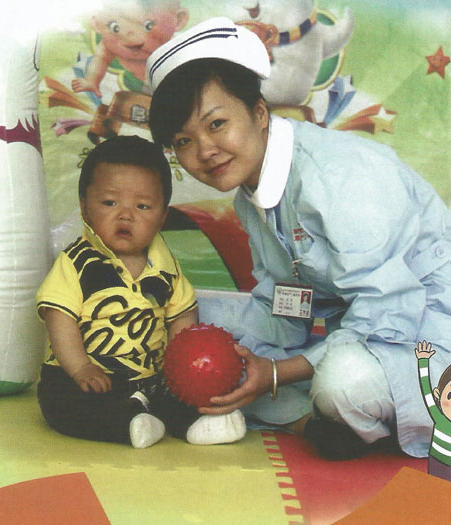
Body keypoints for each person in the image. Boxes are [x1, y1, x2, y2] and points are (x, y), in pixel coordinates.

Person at [146, 17, 451, 460]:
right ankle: (312, 423)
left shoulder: (337, 176)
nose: (204, 151)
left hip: (425, 329)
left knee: (344, 381)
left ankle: (337, 414)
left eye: (216, 124)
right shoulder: (251, 196)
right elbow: (285, 299)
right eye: (183, 141)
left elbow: (389, 311)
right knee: (183, 317)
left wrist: (274, 373)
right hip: (354, 327)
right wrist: (232, 352)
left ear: (259, 113)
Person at [36, 135, 246, 449]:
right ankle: (127, 422)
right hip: (83, 377)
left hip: (149, 378)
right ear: (84, 207)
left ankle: (197, 422)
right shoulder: (76, 262)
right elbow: (59, 318)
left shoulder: (166, 265)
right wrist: (81, 367)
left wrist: (180, 368)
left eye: (143, 206)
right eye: (109, 203)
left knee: (176, 395)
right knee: (62, 403)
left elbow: (183, 312)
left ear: (162, 217)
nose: (126, 215)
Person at [71, 0, 189, 98]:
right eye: (115, 27)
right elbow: (100, 59)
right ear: (96, 24)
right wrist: (91, 81)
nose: (131, 37)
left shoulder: (178, 46)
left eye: (148, 26)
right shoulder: (108, 45)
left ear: (178, 20)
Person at [415, 340, 451, 481]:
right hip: (438, 461)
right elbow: (426, 392)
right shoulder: (438, 417)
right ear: (438, 394)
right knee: (436, 487)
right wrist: (423, 362)